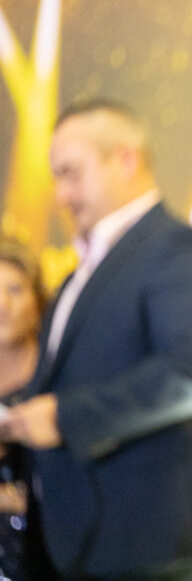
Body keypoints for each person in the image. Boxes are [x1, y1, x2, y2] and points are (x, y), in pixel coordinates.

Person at [0, 101, 192, 580]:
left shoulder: (182, 250)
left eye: (71, 173)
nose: (61, 194)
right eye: (56, 177)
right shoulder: (75, 279)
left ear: (125, 160)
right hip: (78, 548)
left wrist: (64, 417)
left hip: (158, 546)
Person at [0, 238, 53, 580]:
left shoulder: (57, 381)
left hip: (43, 559)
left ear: (38, 301)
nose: (1, 304)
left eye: (15, 290)